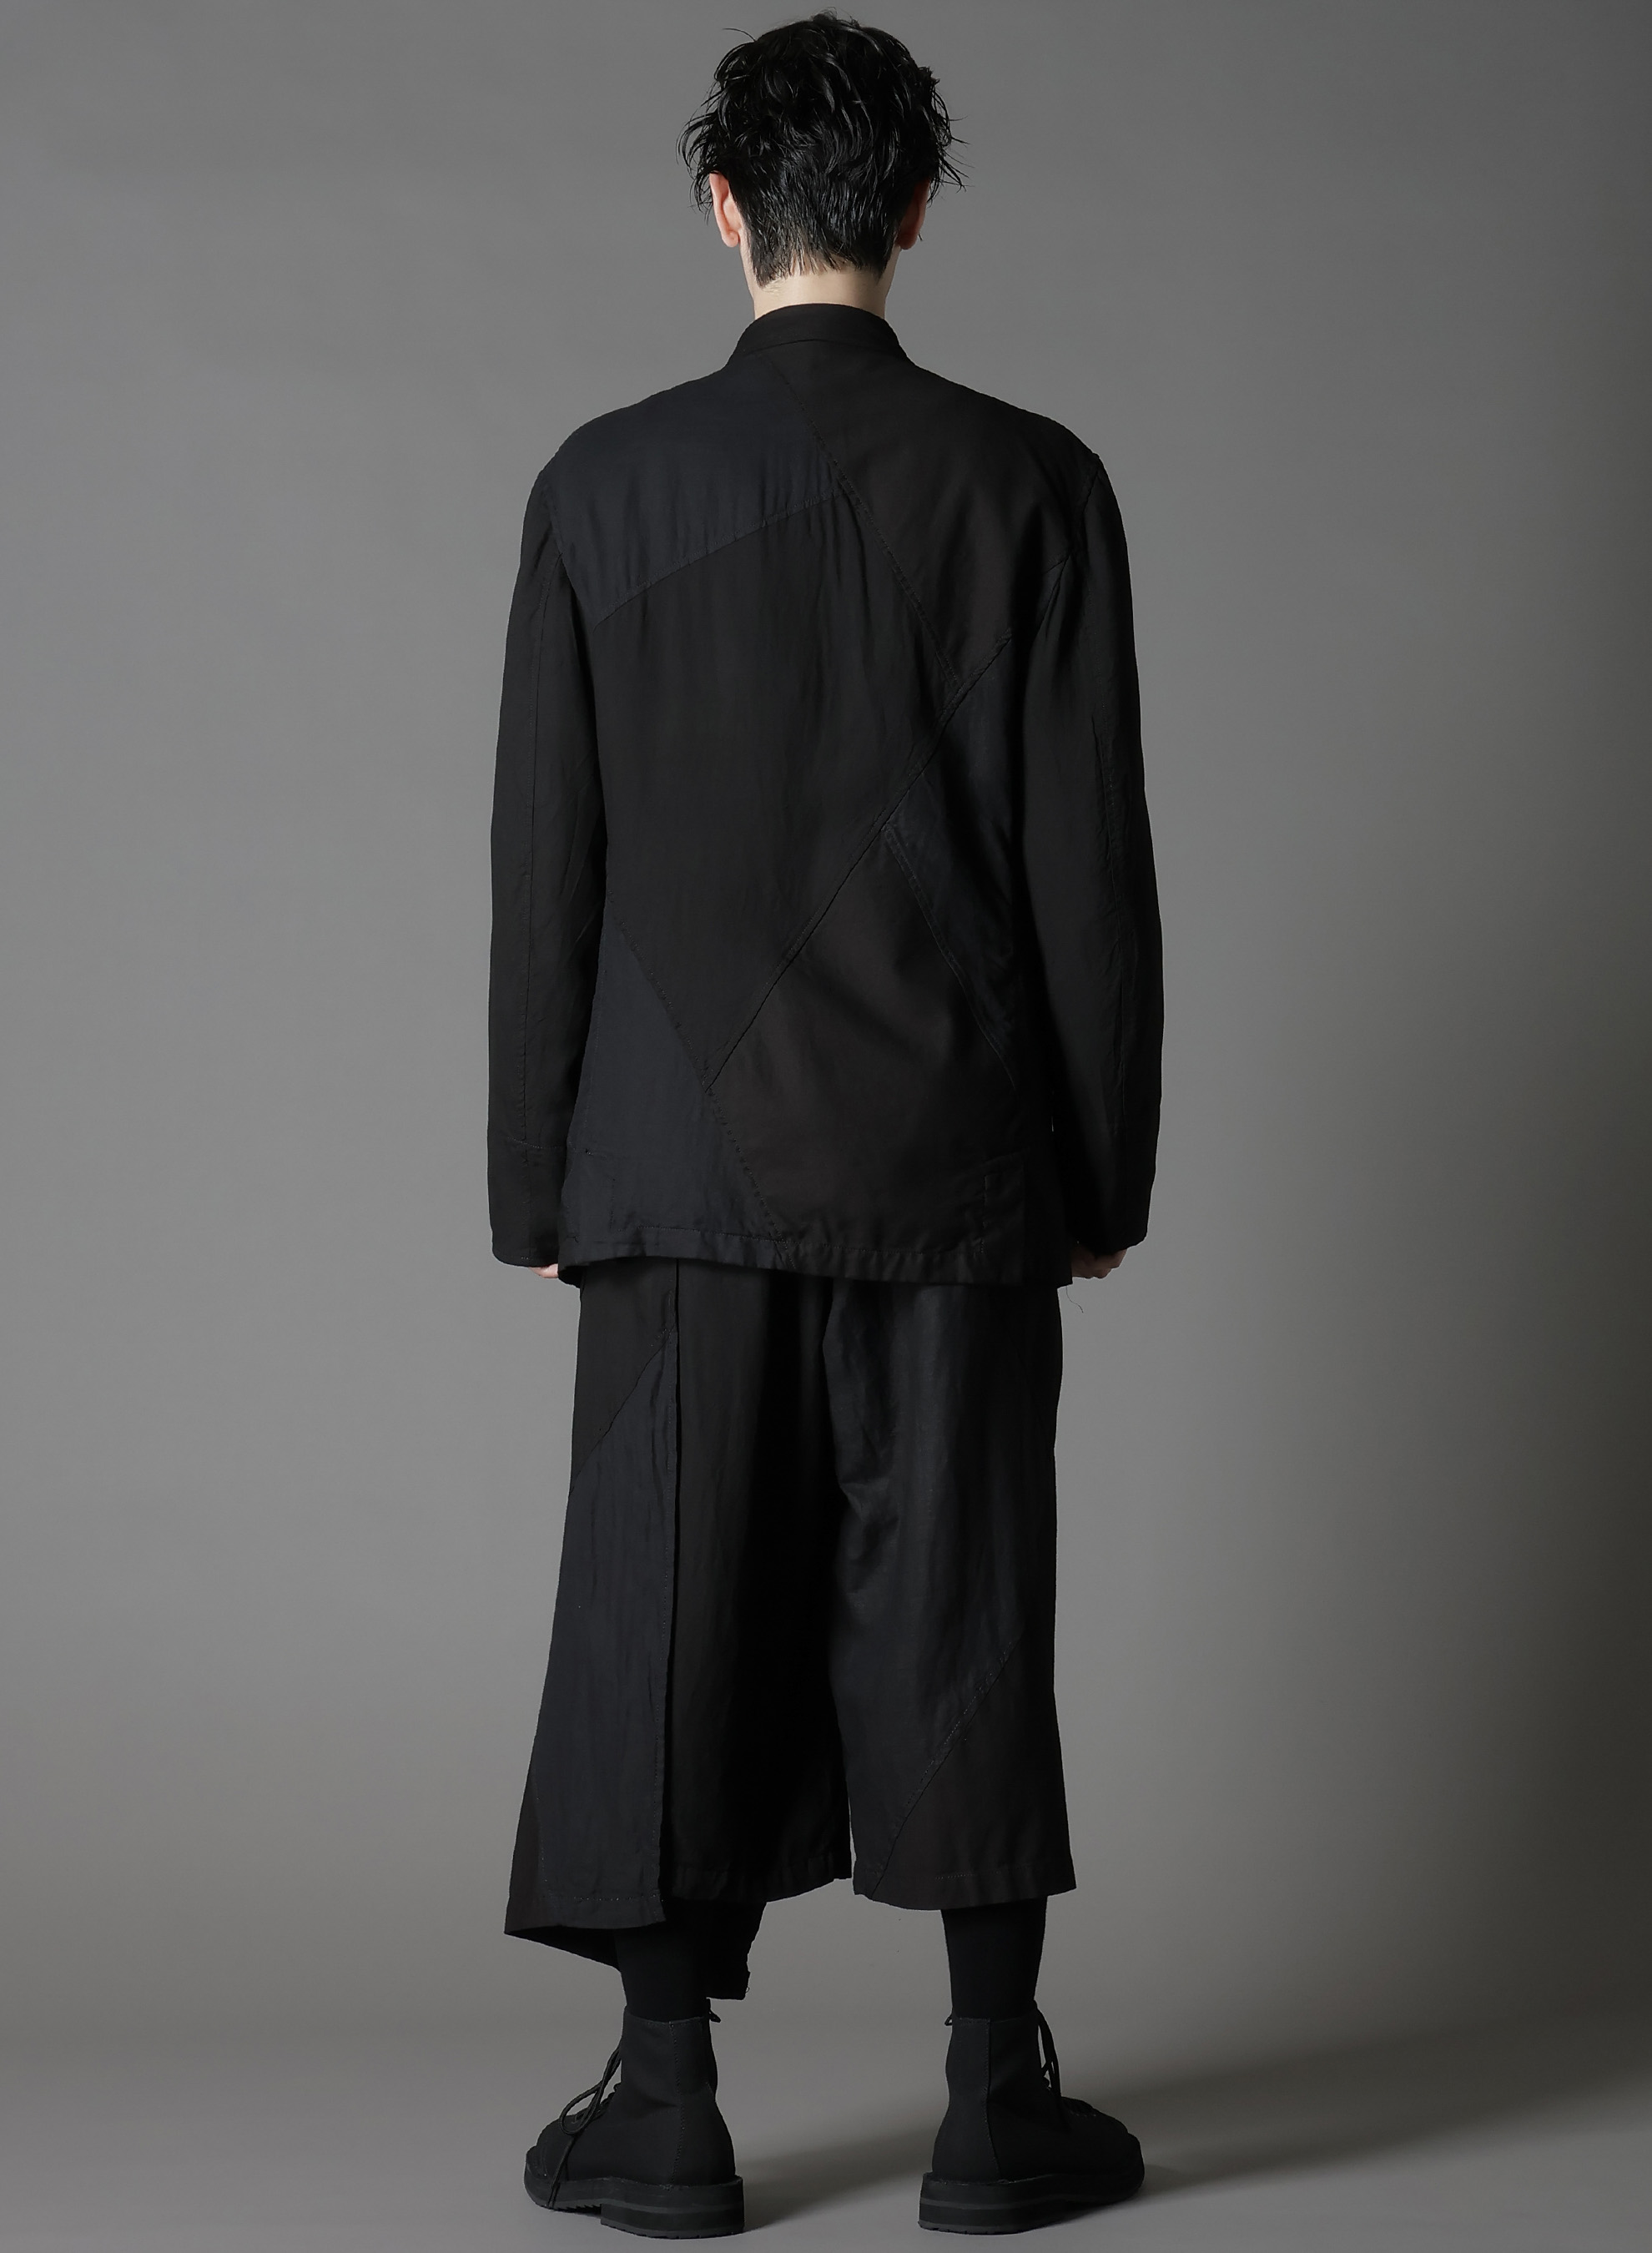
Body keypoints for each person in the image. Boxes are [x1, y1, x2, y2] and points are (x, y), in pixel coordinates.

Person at [486, 12, 1163, 2236]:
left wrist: (536, 1177)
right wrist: (1098, 1174)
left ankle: (665, 2104)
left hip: (670, 1166)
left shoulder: (599, 486)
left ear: (723, 208)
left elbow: (546, 866)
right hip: (953, 1155)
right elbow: (1088, 866)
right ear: (915, 208)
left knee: (666, 1610)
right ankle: (991, 2104)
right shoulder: (1035, 483)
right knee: (963, 1598)